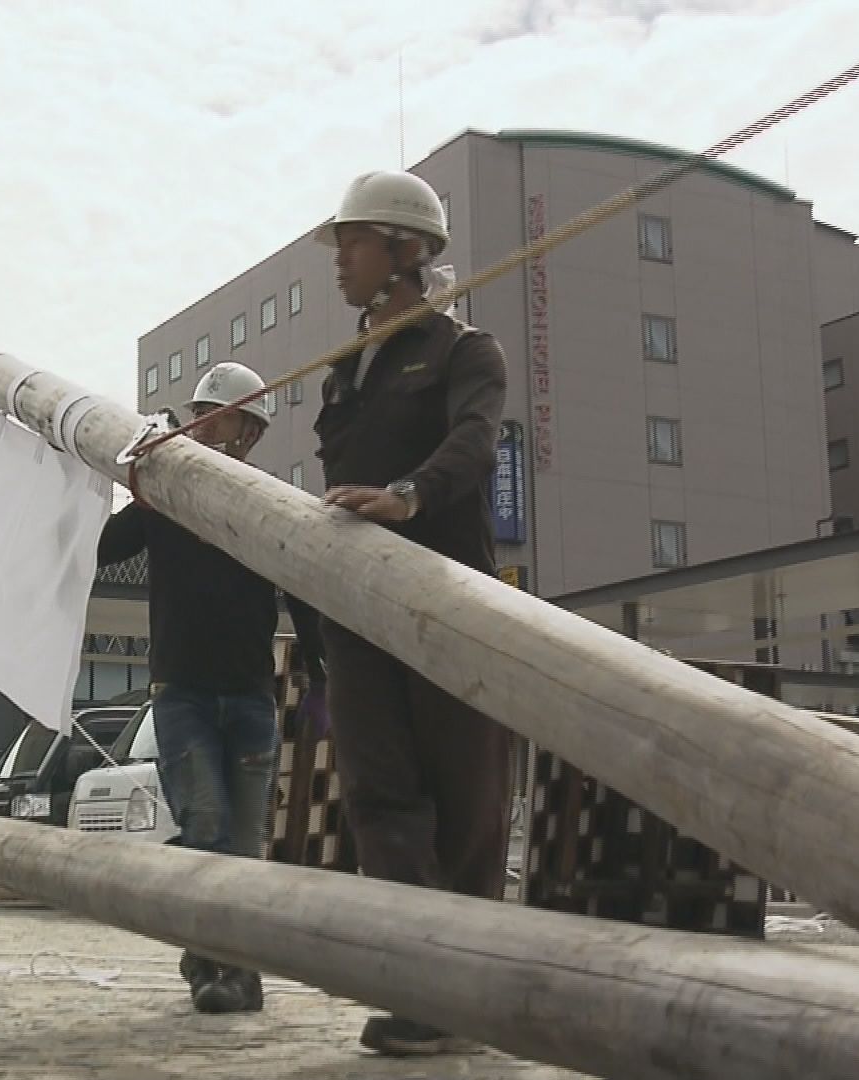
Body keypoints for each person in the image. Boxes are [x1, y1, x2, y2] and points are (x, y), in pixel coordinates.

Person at [309, 169, 515, 1058]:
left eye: (351, 243)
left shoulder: (467, 352)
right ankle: (418, 987)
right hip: (358, 615)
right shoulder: (341, 371)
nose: (339, 263)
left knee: (465, 798)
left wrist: (408, 496)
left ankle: (467, 988)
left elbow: (476, 443)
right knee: (378, 795)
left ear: (403, 251)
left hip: (448, 600)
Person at [97, 361, 290, 1015]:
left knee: (242, 840)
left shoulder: (260, 500)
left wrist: (321, 672)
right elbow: (102, 547)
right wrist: (143, 482)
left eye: (251, 428)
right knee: (205, 819)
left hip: (249, 693)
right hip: (181, 691)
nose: (242, 438)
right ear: (210, 419)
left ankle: (230, 965)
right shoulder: (166, 496)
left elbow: (306, 588)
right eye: (239, 422)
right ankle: (215, 958)